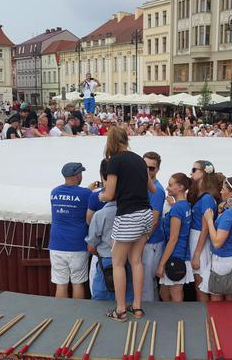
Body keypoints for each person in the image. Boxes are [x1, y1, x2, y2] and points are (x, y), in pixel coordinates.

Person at [98, 126, 155, 322]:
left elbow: (109, 194)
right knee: (136, 261)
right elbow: (153, 188)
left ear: (111, 142)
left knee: (118, 263)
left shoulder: (114, 161)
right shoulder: (139, 159)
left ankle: (120, 310)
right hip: (146, 214)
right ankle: (137, 307)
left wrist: (100, 195)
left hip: (128, 216)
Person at [85, 160, 133, 301]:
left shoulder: (100, 215)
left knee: (101, 300)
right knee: (126, 297)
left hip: (105, 261)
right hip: (126, 261)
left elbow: (91, 246)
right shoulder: (131, 211)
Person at [200, 177, 232, 301]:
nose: (221, 192)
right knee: (229, 293)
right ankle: (231, 319)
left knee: (216, 295)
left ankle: (216, 320)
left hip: (222, 261)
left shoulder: (229, 215)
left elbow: (217, 242)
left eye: (223, 189)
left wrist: (209, 220)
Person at [49, 162, 92, 299]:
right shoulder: (86, 194)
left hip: (57, 244)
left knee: (60, 284)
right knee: (77, 283)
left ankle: (61, 315)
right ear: (77, 175)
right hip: (77, 245)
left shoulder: (54, 192)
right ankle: (77, 315)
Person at [157, 173, 193, 301]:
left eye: (170, 185)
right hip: (182, 253)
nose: (167, 188)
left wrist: (161, 264)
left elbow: (173, 239)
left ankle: (179, 319)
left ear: (181, 187)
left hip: (176, 256)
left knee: (175, 294)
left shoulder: (177, 209)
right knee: (164, 292)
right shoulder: (186, 205)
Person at [189, 160, 220, 302]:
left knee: (201, 284)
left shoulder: (207, 197)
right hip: (198, 239)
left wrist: (196, 254)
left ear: (203, 173)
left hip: (199, 240)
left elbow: (205, 229)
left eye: (194, 169)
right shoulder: (203, 194)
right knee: (200, 283)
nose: (191, 172)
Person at [142, 151, 166, 302]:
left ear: (157, 170)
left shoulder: (157, 191)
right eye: (145, 167)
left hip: (150, 243)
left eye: (151, 168)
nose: (148, 171)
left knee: (146, 284)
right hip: (145, 241)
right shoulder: (142, 185)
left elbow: (154, 221)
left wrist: (140, 242)